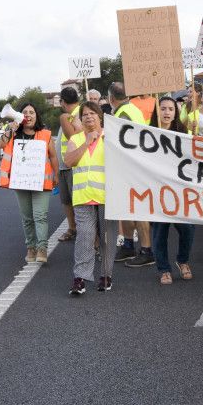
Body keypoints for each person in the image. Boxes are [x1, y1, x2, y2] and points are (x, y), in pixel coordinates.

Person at [65, 101, 116, 295]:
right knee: (85, 237)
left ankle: (106, 275)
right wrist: (87, 142)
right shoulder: (76, 139)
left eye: (92, 113)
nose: (88, 117)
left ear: (100, 116)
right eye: (84, 114)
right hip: (83, 196)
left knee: (107, 238)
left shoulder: (110, 136)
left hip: (107, 196)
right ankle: (80, 278)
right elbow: (69, 161)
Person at [0, 103, 58, 264]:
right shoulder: (13, 134)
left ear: (36, 115)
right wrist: (10, 130)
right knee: (27, 218)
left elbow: (52, 156)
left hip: (41, 182)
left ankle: (42, 248)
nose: (28, 115)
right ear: (20, 116)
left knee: (40, 216)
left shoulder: (45, 134)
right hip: (21, 181)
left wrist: (56, 174)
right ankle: (31, 247)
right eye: (25, 112)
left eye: (32, 112)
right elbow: (0, 145)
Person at [149, 97, 195, 284]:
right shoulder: (146, 133)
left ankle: (182, 260)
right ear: (157, 112)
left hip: (179, 191)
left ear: (176, 113)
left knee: (188, 229)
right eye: (163, 109)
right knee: (160, 232)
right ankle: (163, 269)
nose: (167, 112)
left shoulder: (183, 133)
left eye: (171, 109)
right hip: (157, 190)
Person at [107, 82, 153, 266]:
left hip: (131, 168)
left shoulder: (123, 114)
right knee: (125, 208)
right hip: (129, 167)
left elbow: (123, 142)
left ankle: (146, 250)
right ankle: (128, 246)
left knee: (138, 209)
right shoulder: (132, 109)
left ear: (111, 98)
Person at [55, 86, 82, 242]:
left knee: (77, 202)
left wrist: (65, 119)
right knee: (66, 200)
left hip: (74, 166)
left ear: (63, 102)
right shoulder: (69, 115)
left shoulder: (76, 114)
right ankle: (72, 228)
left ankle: (85, 233)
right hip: (64, 167)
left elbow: (72, 136)